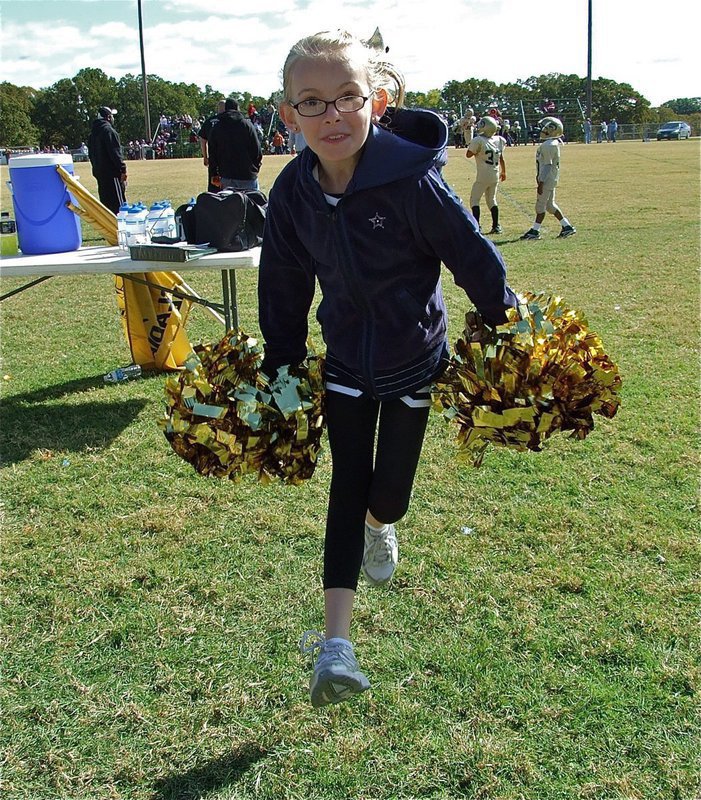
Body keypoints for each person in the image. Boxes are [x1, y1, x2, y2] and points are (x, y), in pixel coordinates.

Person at [258, 29, 518, 708]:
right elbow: (282, 281)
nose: (332, 115)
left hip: (413, 361)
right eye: (311, 102)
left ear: (375, 100)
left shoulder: (410, 179)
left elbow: (468, 251)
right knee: (347, 484)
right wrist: (282, 362)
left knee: (389, 494)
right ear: (288, 114)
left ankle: (383, 525)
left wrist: (507, 320)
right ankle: (335, 647)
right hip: (345, 359)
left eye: (347, 97)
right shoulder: (292, 193)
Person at [520, 116, 576, 240]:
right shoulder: (551, 144)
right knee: (550, 205)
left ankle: (535, 231)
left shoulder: (548, 145)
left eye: (544, 127)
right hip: (551, 178)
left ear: (551, 129)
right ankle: (567, 226)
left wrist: (541, 182)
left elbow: (547, 165)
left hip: (547, 179)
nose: (541, 130)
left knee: (540, 207)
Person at [207, 98, 262, 191]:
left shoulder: (217, 127)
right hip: (247, 174)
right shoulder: (247, 125)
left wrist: (214, 173)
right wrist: (255, 168)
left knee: (229, 200)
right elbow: (257, 150)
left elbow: (212, 153)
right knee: (252, 200)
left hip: (226, 176)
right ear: (237, 108)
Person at [465, 116, 507, 234]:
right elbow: (501, 158)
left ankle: (477, 226)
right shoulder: (499, 140)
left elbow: (468, 154)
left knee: (474, 200)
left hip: (483, 175)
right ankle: (496, 226)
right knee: (492, 200)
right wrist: (504, 171)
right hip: (495, 173)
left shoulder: (478, 140)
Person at [87, 106, 127, 213]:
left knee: (106, 207)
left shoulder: (92, 135)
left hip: (100, 175)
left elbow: (91, 156)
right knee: (120, 207)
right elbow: (115, 153)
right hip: (112, 175)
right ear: (108, 117)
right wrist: (123, 169)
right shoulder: (109, 131)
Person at [198, 99, 226, 192]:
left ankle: (214, 198)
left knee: (214, 186)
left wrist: (205, 156)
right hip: (228, 158)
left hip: (214, 159)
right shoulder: (230, 120)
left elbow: (202, 139)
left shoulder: (209, 121)